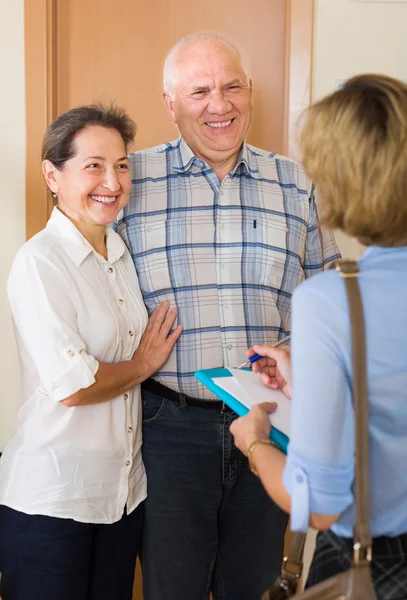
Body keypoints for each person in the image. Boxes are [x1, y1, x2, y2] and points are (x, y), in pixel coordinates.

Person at [116, 32, 340, 600]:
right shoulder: (128, 183)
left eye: (232, 86)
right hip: (168, 428)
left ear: (250, 90)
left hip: (274, 418)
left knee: (260, 586)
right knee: (173, 587)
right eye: (199, 91)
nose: (220, 104)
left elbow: (330, 300)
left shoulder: (298, 183)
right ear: (170, 103)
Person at [230, 74, 407, 600]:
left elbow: (320, 501)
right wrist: (315, 379)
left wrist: (256, 442)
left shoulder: (333, 300)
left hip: (377, 565)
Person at [0, 104, 182, 600]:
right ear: (52, 175)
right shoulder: (41, 262)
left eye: (121, 164)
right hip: (53, 503)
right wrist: (143, 365)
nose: (113, 180)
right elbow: (74, 387)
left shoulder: (120, 254)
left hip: (121, 500)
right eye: (94, 165)